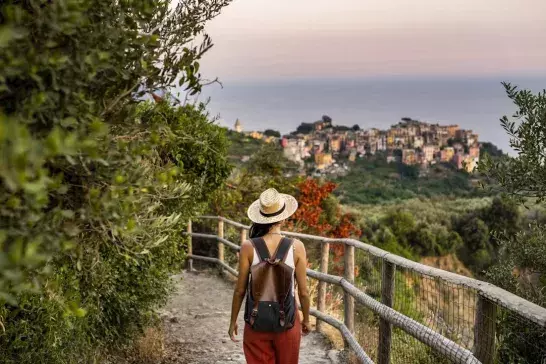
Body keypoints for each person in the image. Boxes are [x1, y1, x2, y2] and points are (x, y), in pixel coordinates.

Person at [228, 188, 311, 364]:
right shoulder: (297, 247)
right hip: (288, 321)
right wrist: (307, 320)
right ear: (283, 217)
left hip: (256, 321)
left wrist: (233, 321)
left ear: (260, 217)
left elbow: (239, 290)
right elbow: (303, 292)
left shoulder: (248, 247)